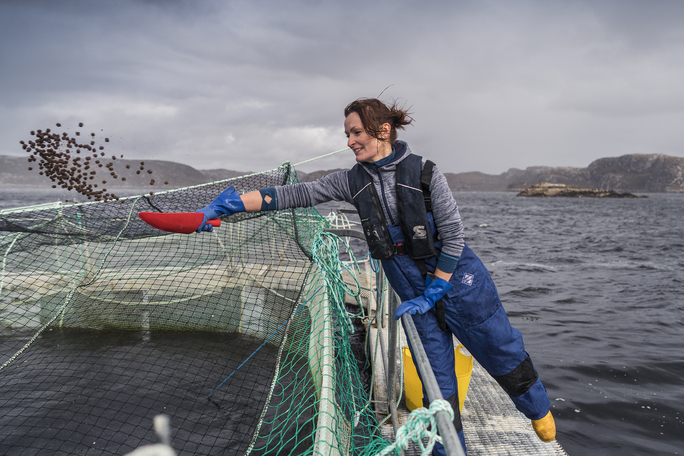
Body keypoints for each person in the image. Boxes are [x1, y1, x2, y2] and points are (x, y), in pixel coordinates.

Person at [194, 98, 556, 455]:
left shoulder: (427, 173)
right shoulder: (351, 181)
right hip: (413, 298)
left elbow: (455, 237)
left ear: (383, 131)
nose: (349, 141)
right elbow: (297, 193)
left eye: (355, 132)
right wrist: (232, 204)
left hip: (461, 284)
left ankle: (538, 412)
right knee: (438, 394)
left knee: (502, 351)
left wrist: (436, 289)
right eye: (347, 134)